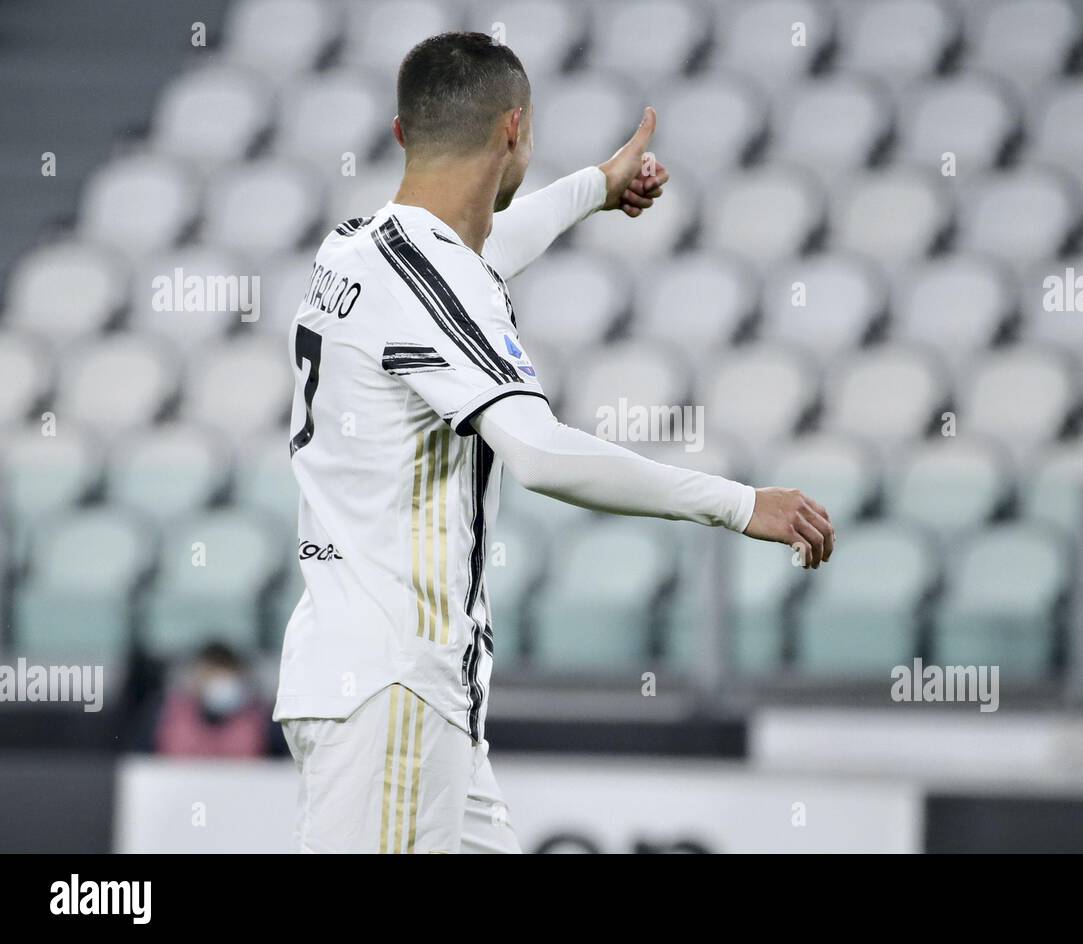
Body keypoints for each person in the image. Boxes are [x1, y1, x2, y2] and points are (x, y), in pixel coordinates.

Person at [275, 31, 835, 853]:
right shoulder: (437, 284)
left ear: (402, 134)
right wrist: (740, 503)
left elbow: (481, 252)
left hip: (385, 681)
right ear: (515, 130)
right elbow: (540, 455)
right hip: (395, 689)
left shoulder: (356, 245)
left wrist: (594, 188)